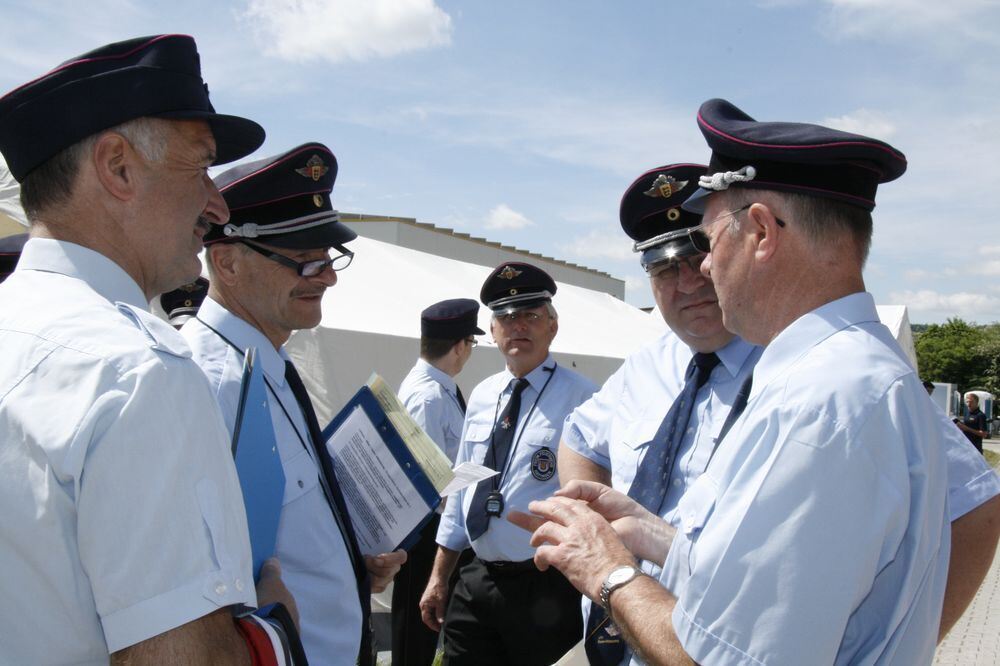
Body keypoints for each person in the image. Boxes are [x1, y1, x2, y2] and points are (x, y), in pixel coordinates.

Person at [513, 99, 965, 665]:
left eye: (707, 239)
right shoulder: (854, 376)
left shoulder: (819, 404)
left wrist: (605, 569)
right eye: (665, 266)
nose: (700, 269)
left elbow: (712, 657)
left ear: (759, 231)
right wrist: (654, 537)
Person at [0, 34, 306, 664]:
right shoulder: (138, 370)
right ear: (117, 168)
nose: (216, 204)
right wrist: (278, 629)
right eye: (200, 168)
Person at [181, 141, 407, 665]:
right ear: (227, 262)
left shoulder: (268, 364)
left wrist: (352, 562)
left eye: (329, 260)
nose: (326, 277)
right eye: (304, 262)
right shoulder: (206, 383)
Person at [419, 262, 597, 665]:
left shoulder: (584, 399)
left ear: (552, 325)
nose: (518, 326)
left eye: (531, 316)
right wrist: (438, 576)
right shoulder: (483, 395)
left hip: (545, 588)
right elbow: (461, 485)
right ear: (493, 332)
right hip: (477, 577)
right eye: (506, 318)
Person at [393, 297, 483, 665]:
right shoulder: (428, 395)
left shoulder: (437, 387)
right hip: (428, 529)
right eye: (471, 343)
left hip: (441, 524)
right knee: (416, 637)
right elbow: (426, 478)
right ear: (461, 346)